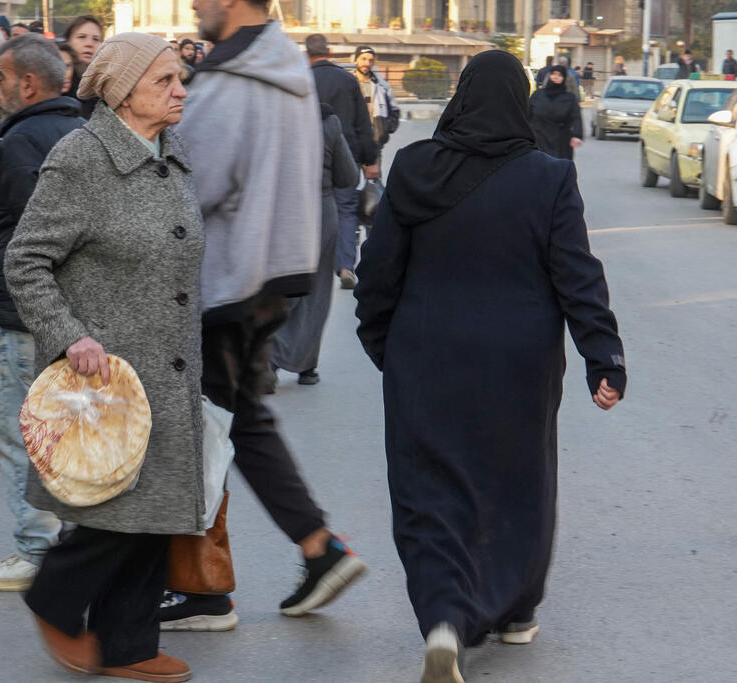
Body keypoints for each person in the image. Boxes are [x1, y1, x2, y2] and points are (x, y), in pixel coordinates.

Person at [354, 49, 626, 682]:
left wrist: (384, 347)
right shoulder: (548, 176)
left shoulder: (414, 167)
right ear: (520, 102)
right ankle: (514, 611)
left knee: (429, 493)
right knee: (517, 486)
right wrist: (602, 357)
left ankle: (446, 621)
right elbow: (577, 276)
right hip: (518, 365)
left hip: (425, 358)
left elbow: (378, 273)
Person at [6, 32, 201, 683]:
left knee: (153, 510)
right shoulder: (81, 157)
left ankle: (128, 644)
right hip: (105, 374)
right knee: (116, 513)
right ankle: (54, 599)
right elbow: (26, 260)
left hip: (166, 365)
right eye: (165, 80)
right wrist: (69, 334)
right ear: (119, 90)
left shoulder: (168, 154)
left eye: (180, 78)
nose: (180, 90)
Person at [169, 0, 367, 630]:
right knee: (238, 421)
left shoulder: (232, 77)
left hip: (225, 277)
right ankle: (317, 548)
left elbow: (190, 184)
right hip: (272, 272)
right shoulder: (285, 66)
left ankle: (202, 591)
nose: (195, 5)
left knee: (197, 430)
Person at [0, 33, 83, 592]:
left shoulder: (21, 143)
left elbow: (36, 238)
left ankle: (37, 550)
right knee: (59, 436)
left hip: (21, 314)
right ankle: (63, 547)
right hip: (64, 314)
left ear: (29, 84)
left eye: (1, 80)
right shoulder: (78, 131)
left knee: (21, 434)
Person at [271, 103, 358, 387]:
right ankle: (306, 366)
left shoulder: (272, 114)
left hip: (279, 209)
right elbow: (347, 176)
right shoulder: (328, 120)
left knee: (279, 288)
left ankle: (269, 360)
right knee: (316, 291)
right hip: (320, 213)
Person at [304, 34, 377, 291]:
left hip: (311, 155)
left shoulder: (302, 79)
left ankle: (311, 267)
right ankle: (346, 266)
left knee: (312, 209)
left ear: (307, 54)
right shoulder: (347, 80)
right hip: (348, 155)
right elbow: (362, 124)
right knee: (346, 211)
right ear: (329, 52)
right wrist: (370, 159)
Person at [529, 65, 583, 160]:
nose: (556, 77)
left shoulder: (569, 98)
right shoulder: (538, 95)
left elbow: (576, 117)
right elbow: (526, 113)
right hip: (539, 137)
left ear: (564, 78)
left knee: (558, 168)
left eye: (559, 75)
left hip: (560, 139)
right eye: (553, 74)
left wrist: (577, 135)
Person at [353, 45, 398, 155]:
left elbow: (394, 110)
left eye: (370, 60)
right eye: (363, 59)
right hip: (352, 143)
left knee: (374, 173)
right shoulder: (347, 83)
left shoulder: (382, 86)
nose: (367, 63)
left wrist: (385, 129)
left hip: (374, 144)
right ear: (355, 61)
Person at [63, 14, 102, 118]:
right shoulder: (60, 84)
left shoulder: (106, 87)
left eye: (96, 39)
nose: (89, 44)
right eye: (82, 37)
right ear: (68, 42)